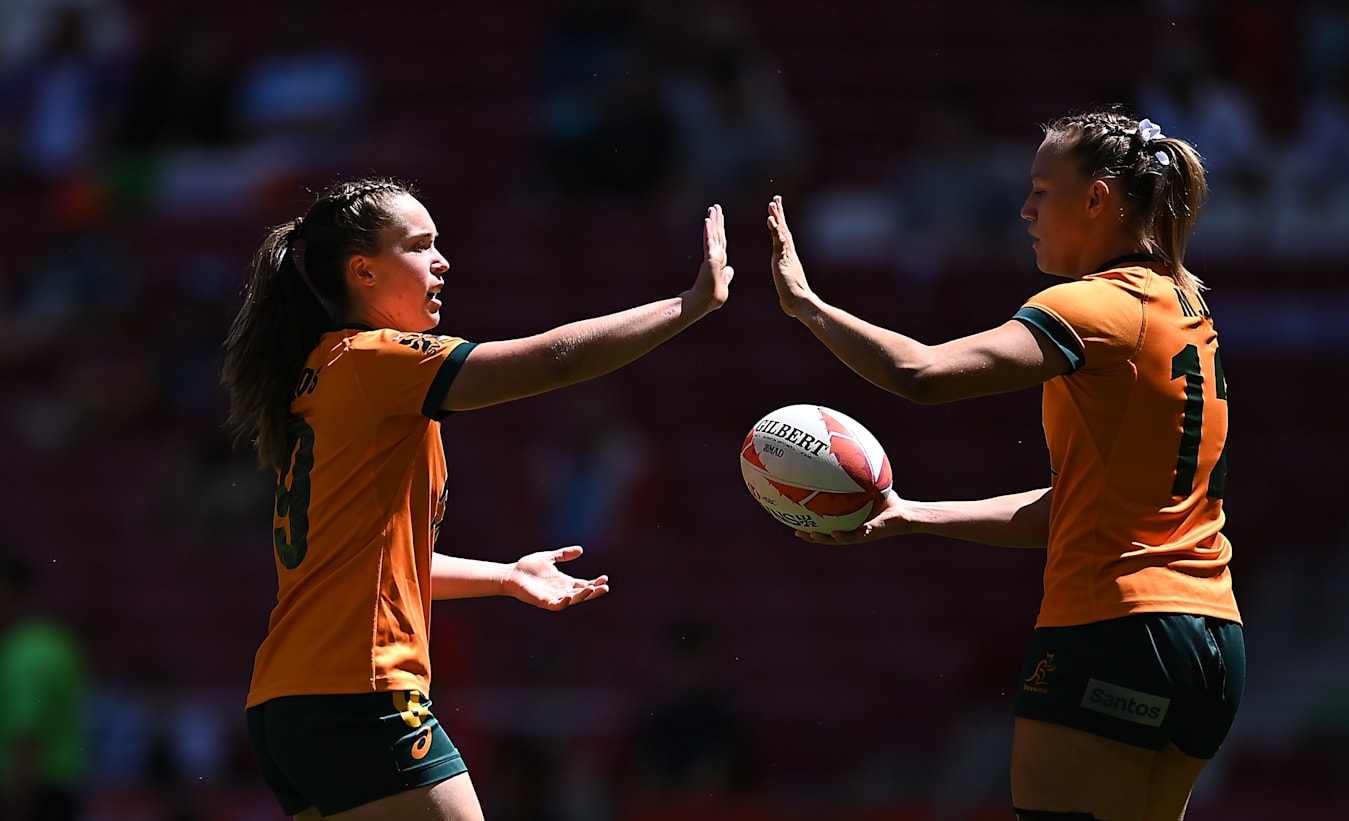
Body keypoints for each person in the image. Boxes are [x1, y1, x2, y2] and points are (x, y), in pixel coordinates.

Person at [765, 109, 1243, 821]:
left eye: (1042, 191)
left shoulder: (1096, 306)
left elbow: (922, 373)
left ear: (1097, 199)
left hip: (1113, 627)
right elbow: (1074, 510)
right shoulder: (1186, 309)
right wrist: (911, 513)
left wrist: (808, 307)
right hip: (1211, 640)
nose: (1025, 210)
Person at [219, 177, 733, 820]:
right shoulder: (378, 362)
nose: (442, 261)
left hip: (286, 706)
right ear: (364, 272)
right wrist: (689, 305)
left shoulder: (324, 373)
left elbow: (379, 563)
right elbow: (553, 362)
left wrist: (506, 576)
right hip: (361, 693)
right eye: (419, 245)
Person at [0, 554, 88, 821]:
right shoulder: (58, 642)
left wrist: (17, 807)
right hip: (64, 787)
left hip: (30, 795)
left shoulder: (22, 653)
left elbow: (27, 735)